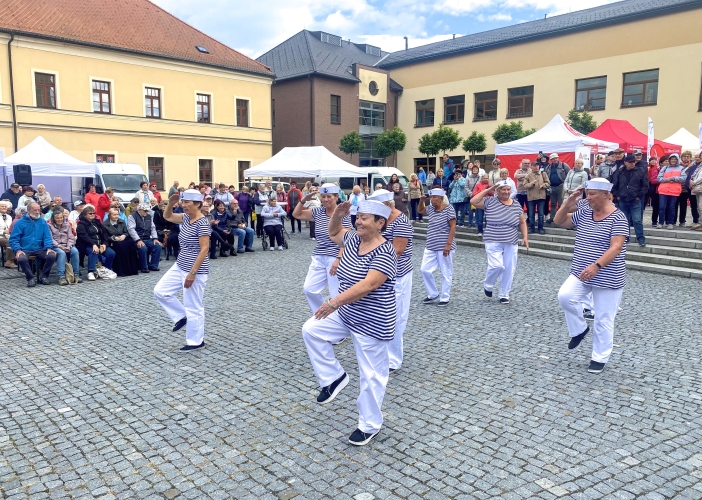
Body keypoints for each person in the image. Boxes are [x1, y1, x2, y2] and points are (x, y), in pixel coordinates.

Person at [301, 199, 396, 446]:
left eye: (365, 218)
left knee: (371, 375)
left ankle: (369, 425)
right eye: (358, 217)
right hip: (348, 314)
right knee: (312, 329)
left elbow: (369, 284)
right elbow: (333, 232)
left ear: (380, 223)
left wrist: (333, 302)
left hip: (372, 321)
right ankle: (333, 377)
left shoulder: (385, 251)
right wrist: (338, 215)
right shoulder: (353, 239)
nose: (358, 221)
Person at [554, 180, 628, 374]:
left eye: (592, 194)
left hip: (608, 275)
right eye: (587, 193)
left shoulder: (618, 217)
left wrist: (597, 266)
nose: (588, 197)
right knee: (565, 296)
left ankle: (599, 357)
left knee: (604, 318)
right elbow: (559, 221)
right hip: (580, 270)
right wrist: (567, 202)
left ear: (605, 194)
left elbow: (616, 247)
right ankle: (579, 329)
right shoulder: (586, 211)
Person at [154, 190, 211, 351]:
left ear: (198, 204)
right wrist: (171, 204)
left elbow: (204, 249)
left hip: (195, 269)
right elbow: (168, 216)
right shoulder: (186, 218)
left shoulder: (202, 223)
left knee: (193, 305)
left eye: (187, 203)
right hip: (180, 264)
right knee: (160, 291)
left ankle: (196, 341)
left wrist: (193, 273)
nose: (184, 205)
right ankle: (181, 316)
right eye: (183, 202)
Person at [368, 190, 413, 372]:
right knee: (381, 314)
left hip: (398, 275)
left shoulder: (401, 222)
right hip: (383, 274)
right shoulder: (383, 221)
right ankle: (382, 352)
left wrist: (372, 263)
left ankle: (393, 359)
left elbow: (397, 251)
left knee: (396, 316)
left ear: (387, 205)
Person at [293, 183, 351, 312]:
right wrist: (303, 200)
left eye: (329, 196)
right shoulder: (317, 212)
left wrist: (339, 259)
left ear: (336, 197)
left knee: (335, 292)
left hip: (336, 256)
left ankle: (338, 321)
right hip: (319, 255)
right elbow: (296, 214)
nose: (325, 199)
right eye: (323, 196)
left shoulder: (343, 213)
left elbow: (346, 238)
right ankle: (323, 314)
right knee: (309, 289)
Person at [471, 181, 529, 304]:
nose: (506, 192)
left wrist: (525, 236)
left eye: (508, 189)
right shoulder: (490, 201)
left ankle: (504, 294)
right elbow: (473, 201)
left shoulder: (516, 204)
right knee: (496, 265)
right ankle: (488, 284)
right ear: (497, 191)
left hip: (511, 239)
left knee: (509, 268)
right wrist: (489, 189)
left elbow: (522, 222)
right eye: (503, 189)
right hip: (493, 238)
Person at [418, 188, 456, 306]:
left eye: (434, 197)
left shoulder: (449, 208)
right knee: (424, 270)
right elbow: (420, 211)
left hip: (444, 245)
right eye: (431, 197)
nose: (432, 199)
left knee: (445, 271)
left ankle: (445, 296)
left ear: (440, 198)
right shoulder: (431, 208)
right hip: (431, 244)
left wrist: (448, 245)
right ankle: (433, 293)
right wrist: (421, 201)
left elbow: (453, 227)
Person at [9, 202, 57, 286]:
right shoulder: (20, 223)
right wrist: (18, 250)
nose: (38, 212)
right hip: (25, 249)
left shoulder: (42, 221)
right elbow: (13, 239)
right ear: (28, 211)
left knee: (52, 255)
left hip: (39, 248)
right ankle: (30, 278)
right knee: (21, 258)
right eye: (35, 210)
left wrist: (48, 247)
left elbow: (47, 236)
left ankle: (44, 276)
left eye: (39, 210)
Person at [611, 154, 648, 247]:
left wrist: (639, 195)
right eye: (630, 162)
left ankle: (641, 239)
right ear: (625, 162)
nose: (632, 164)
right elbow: (614, 184)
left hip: (635, 199)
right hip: (623, 199)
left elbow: (645, 185)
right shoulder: (619, 172)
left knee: (637, 220)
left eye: (634, 162)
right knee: (624, 220)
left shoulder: (640, 171)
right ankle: (626, 238)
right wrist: (617, 195)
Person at [76, 205, 116, 281]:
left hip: (100, 244)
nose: (92, 215)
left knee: (111, 253)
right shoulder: (81, 224)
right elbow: (84, 236)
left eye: (93, 213)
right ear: (85, 215)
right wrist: (93, 244)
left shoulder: (97, 222)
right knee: (93, 252)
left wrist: (105, 244)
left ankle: (106, 269)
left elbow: (104, 234)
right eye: (90, 213)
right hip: (87, 245)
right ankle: (91, 271)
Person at [48, 210, 82, 285]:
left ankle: (76, 274)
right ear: (53, 219)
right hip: (56, 246)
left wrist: (69, 246)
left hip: (67, 245)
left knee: (75, 251)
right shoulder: (49, 226)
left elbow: (71, 237)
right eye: (57, 218)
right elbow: (50, 239)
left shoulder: (67, 225)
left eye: (61, 218)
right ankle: (61, 276)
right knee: (61, 253)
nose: (60, 220)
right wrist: (60, 246)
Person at [104, 208, 139, 277]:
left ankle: (132, 269)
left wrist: (124, 236)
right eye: (114, 215)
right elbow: (105, 237)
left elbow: (126, 232)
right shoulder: (105, 224)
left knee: (131, 243)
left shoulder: (122, 221)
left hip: (122, 238)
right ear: (109, 215)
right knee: (120, 246)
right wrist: (114, 238)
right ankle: (121, 270)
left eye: (117, 214)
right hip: (112, 241)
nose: (116, 216)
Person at [128, 203, 163, 272]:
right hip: (136, 239)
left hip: (147, 238)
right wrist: (138, 240)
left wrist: (155, 238)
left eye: (147, 211)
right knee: (142, 247)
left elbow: (153, 228)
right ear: (139, 210)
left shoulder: (149, 216)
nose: (146, 212)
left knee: (157, 246)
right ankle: (144, 267)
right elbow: (131, 229)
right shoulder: (132, 216)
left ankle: (153, 265)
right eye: (145, 211)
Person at [657, 154, 686, 229]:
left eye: (675, 159)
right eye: (672, 159)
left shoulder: (681, 168)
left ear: (677, 160)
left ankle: (670, 223)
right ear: (669, 160)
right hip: (663, 190)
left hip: (674, 191)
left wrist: (673, 178)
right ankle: (660, 222)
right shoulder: (665, 168)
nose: (673, 160)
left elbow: (683, 178)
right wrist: (667, 180)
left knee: (672, 207)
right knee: (662, 207)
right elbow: (659, 178)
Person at [521, 161, 550, 235]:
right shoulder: (528, 175)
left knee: (541, 214)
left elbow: (548, 183)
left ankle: (541, 228)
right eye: (534, 165)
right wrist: (532, 184)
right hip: (531, 197)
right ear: (531, 167)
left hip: (541, 197)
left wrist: (543, 185)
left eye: (537, 165)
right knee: (531, 214)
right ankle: (532, 228)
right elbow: (524, 185)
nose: (536, 167)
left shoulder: (543, 174)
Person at [544, 153, 571, 223]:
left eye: (556, 158)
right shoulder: (548, 167)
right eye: (553, 159)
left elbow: (570, 174)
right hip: (551, 187)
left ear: (558, 158)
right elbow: (545, 176)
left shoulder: (563, 165)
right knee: (552, 203)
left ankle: (562, 218)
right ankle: (552, 217)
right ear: (551, 160)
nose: (555, 159)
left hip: (561, 187)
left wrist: (565, 183)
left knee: (561, 203)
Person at [679, 151, 699, 227]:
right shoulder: (679, 165)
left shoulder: (694, 165)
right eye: (685, 156)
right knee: (682, 206)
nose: (686, 158)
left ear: (690, 157)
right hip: (682, 188)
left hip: (691, 188)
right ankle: (682, 221)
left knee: (694, 205)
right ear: (682, 157)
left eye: (688, 156)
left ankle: (696, 220)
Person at [0, 201, 17, 268]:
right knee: (9, 242)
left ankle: (17, 259)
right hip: (0, 236)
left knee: (17, 240)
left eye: (5, 206)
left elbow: (10, 227)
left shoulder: (9, 217)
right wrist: (3, 231)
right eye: (2, 206)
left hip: (8, 235)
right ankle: (9, 261)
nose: (4, 207)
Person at [646, 157, 660, 227]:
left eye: (654, 160)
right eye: (651, 160)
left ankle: (654, 221)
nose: (653, 162)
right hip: (647, 186)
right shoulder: (647, 168)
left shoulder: (657, 168)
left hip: (654, 188)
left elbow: (654, 180)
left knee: (655, 205)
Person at [691, 160, 702, 231]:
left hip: (699, 185)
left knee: (701, 206)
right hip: (698, 187)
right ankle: (701, 223)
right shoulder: (699, 166)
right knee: (699, 206)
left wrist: (693, 182)